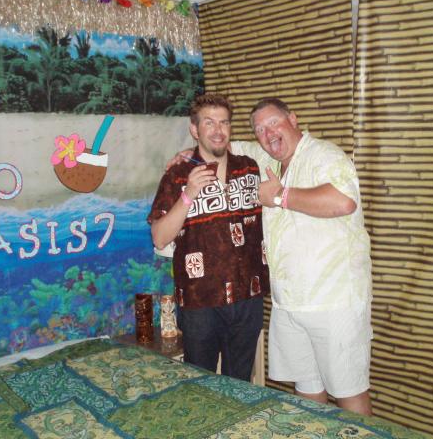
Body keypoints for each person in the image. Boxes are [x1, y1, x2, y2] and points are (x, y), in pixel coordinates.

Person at [230, 98, 373, 415]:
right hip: (290, 303)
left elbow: (343, 201)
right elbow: (225, 145)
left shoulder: (324, 155)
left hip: (334, 302)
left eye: (274, 123)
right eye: (259, 130)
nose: (268, 134)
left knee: (349, 393)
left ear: (293, 119)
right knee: (307, 393)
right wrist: (188, 154)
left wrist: (280, 196)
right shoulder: (265, 157)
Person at [148, 93, 269, 382]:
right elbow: (159, 238)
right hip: (200, 300)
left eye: (224, 122)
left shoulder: (250, 167)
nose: (218, 130)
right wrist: (188, 194)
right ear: (195, 129)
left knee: (240, 382)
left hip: (248, 296)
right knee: (200, 383)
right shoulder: (178, 175)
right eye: (209, 122)